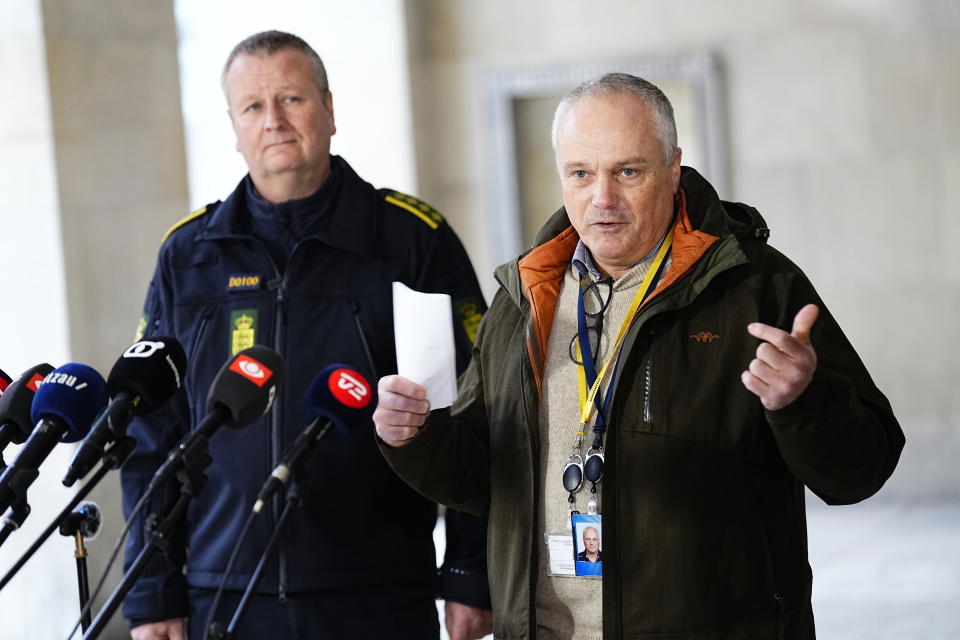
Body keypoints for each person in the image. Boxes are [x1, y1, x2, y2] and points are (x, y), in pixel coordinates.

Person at [373, 73, 904, 639]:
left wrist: (803, 402)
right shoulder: (525, 297)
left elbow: (861, 471)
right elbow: (483, 476)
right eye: (581, 174)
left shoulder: (755, 286)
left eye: (628, 171)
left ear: (673, 169)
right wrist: (414, 437)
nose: (602, 198)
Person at [121, 31, 492, 640]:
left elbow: (479, 411)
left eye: (292, 99)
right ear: (235, 129)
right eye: (253, 107)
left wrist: (470, 570)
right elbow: (150, 438)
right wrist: (153, 593)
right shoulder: (187, 255)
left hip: (378, 593)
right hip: (225, 597)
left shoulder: (412, 239)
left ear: (329, 110)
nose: (273, 121)